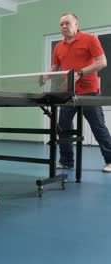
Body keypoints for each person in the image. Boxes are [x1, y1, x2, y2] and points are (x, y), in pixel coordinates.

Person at [49, 13, 111, 172]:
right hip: (67, 92)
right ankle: (66, 160)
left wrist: (80, 73)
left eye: (67, 23)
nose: (64, 26)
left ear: (76, 24)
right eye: (61, 24)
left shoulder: (90, 39)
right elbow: (55, 69)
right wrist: (44, 77)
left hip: (89, 91)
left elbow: (102, 62)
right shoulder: (58, 47)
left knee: (98, 126)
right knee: (62, 127)